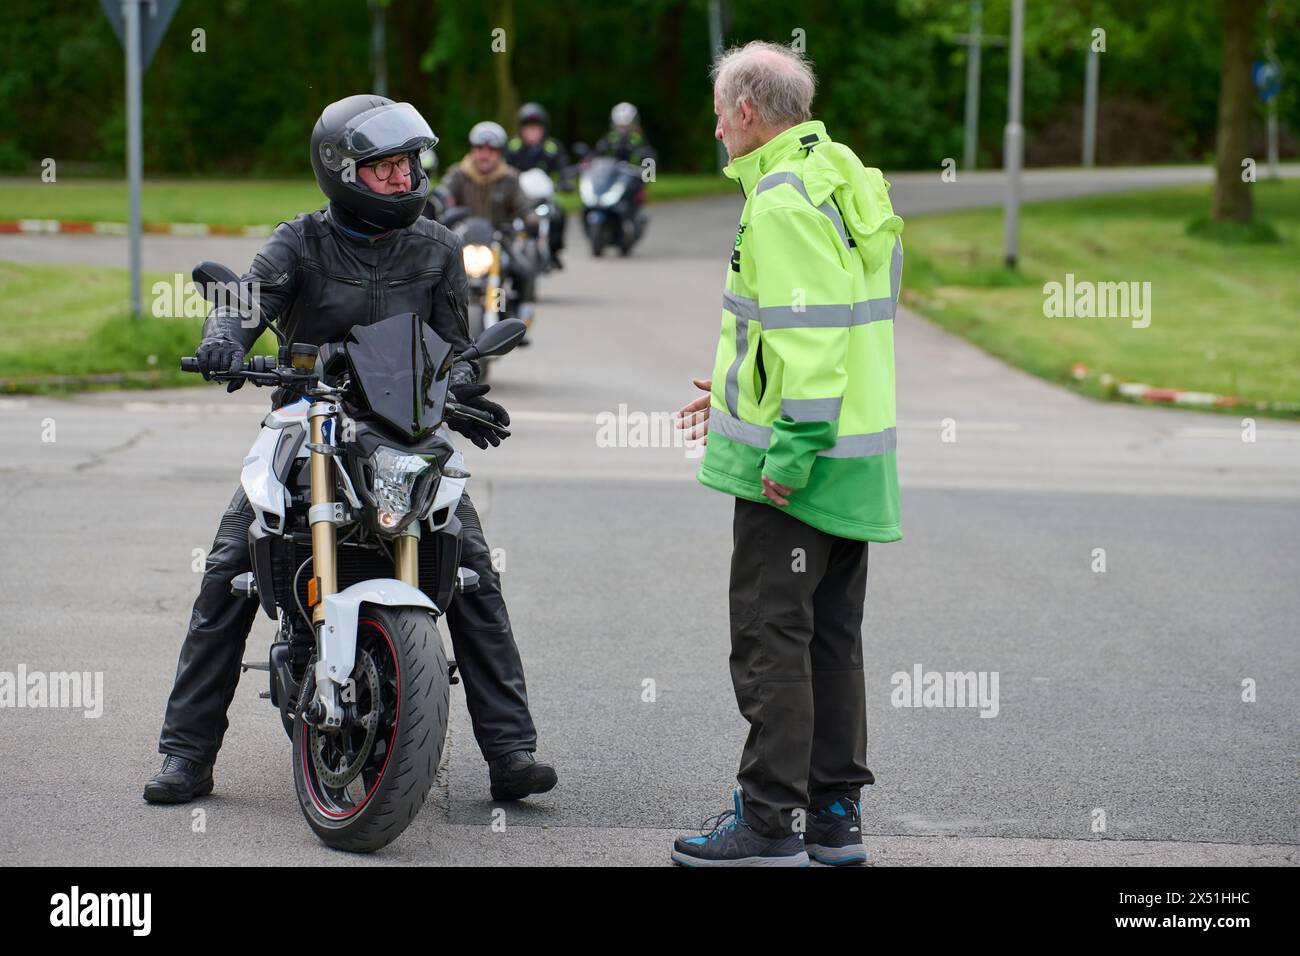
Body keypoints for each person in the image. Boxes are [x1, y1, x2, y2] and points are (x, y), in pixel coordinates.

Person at [144, 94, 557, 807]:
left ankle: (511, 749)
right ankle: (186, 754)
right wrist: (223, 341)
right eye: (385, 167)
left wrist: (463, 383)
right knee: (228, 569)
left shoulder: (435, 246)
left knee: (471, 571)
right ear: (341, 172)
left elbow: (458, 347)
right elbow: (248, 302)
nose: (403, 178)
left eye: (408, 164)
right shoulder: (299, 241)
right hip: (308, 419)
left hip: (404, 428)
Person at [672, 41, 904, 867]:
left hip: (799, 467)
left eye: (717, 115)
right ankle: (836, 818)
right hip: (857, 457)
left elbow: (809, 337)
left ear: (744, 111)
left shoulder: (778, 200)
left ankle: (769, 821)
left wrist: (790, 447)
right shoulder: (847, 173)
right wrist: (739, 390)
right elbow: (836, 323)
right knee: (831, 641)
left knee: (772, 639)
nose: (714, 130)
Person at [441, 120, 536, 322]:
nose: (484, 154)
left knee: (523, 269)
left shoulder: (510, 178)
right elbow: (444, 197)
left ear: (499, 152)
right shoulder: (458, 174)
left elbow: (523, 203)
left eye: (490, 149)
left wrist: (530, 218)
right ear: (472, 150)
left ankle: (517, 316)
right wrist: (438, 208)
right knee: (434, 269)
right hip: (462, 239)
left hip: (499, 239)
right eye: (479, 148)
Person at [505, 102, 571, 267]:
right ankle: (506, 249)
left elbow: (564, 168)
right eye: (528, 128)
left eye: (536, 128)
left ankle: (554, 250)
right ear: (521, 129)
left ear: (543, 129)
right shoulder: (513, 147)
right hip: (519, 197)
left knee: (559, 213)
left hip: (543, 198)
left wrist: (565, 181)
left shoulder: (552, 147)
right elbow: (504, 169)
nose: (532, 132)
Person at [593, 102, 657, 166]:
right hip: (611, 172)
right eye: (621, 127)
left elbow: (649, 157)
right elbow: (597, 153)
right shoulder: (610, 138)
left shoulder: (638, 139)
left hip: (633, 172)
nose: (623, 130)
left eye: (626, 126)